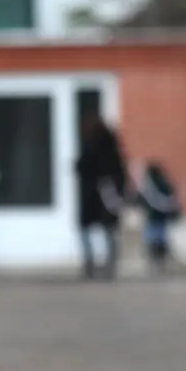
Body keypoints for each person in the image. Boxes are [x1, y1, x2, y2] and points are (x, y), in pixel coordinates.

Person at [75, 114, 128, 280]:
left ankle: (90, 264)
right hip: (108, 194)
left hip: (92, 194)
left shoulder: (89, 146)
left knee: (86, 229)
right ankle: (110, 265)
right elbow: (121, 172)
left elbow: (81, 167)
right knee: (109, 230)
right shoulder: (113, 148)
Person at [135, 160, 182, 274]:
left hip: (153, 219)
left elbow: (141, 200)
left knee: (153, 242)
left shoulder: (150, 186)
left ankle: (156, 262)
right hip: (160, 219)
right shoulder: (164, 185)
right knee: (160, 242)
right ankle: (160, 262)